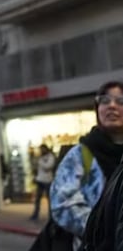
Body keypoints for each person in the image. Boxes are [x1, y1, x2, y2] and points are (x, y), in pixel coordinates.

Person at [50, 81, 123, 247]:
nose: (112, 106)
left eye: (121, 101)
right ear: (97, 109)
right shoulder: (81, 154)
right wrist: (103, 232)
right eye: (105, 101)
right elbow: (62, 205)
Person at [30, 144, 57, 220]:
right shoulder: (40, 157)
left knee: (50, 199)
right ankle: (35, 214)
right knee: (37, 199)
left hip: (47, 181)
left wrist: (40, 162)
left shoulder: (50, 157)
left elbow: (48, 166)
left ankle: (51, 216)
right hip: (40, 180)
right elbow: (38, 169)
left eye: (42, 149)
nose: (41, 151)